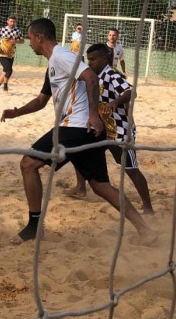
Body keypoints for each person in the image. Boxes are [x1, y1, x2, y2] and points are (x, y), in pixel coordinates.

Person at [1, 18, 156, 246]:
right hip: (83, 129)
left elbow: (91, 78)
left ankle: (35, 226)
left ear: (39, 37)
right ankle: (145, 229)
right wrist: (16, 112)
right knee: (101, 186)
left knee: (28, 164)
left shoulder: (62, 56)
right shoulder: (53, 63)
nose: (29, 42)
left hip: (76, 125)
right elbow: (41, 101)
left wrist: (93, 114)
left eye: (30, 37)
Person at [65, 43, 155, 215]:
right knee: (79, 153)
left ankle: (148, 207)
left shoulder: (112, 75)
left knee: (131, 169)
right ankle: (80, 187)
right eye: (88, 59)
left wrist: (115, 102)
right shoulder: (91, 76)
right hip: (100, 127)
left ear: (104, 58)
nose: (90, 62)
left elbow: (131, 92)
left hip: (119, 130)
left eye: (93, 59)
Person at [0, 15, 24, 92]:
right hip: (2, 53)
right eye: (11, 21)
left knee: (5, 71)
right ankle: (5, 87)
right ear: (7, 21)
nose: (12, 23)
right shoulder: (3, 29)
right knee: (9, 71)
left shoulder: (17, 31)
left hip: (11, 54)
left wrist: (16, 41)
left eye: (14, 21)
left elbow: (22, 41)